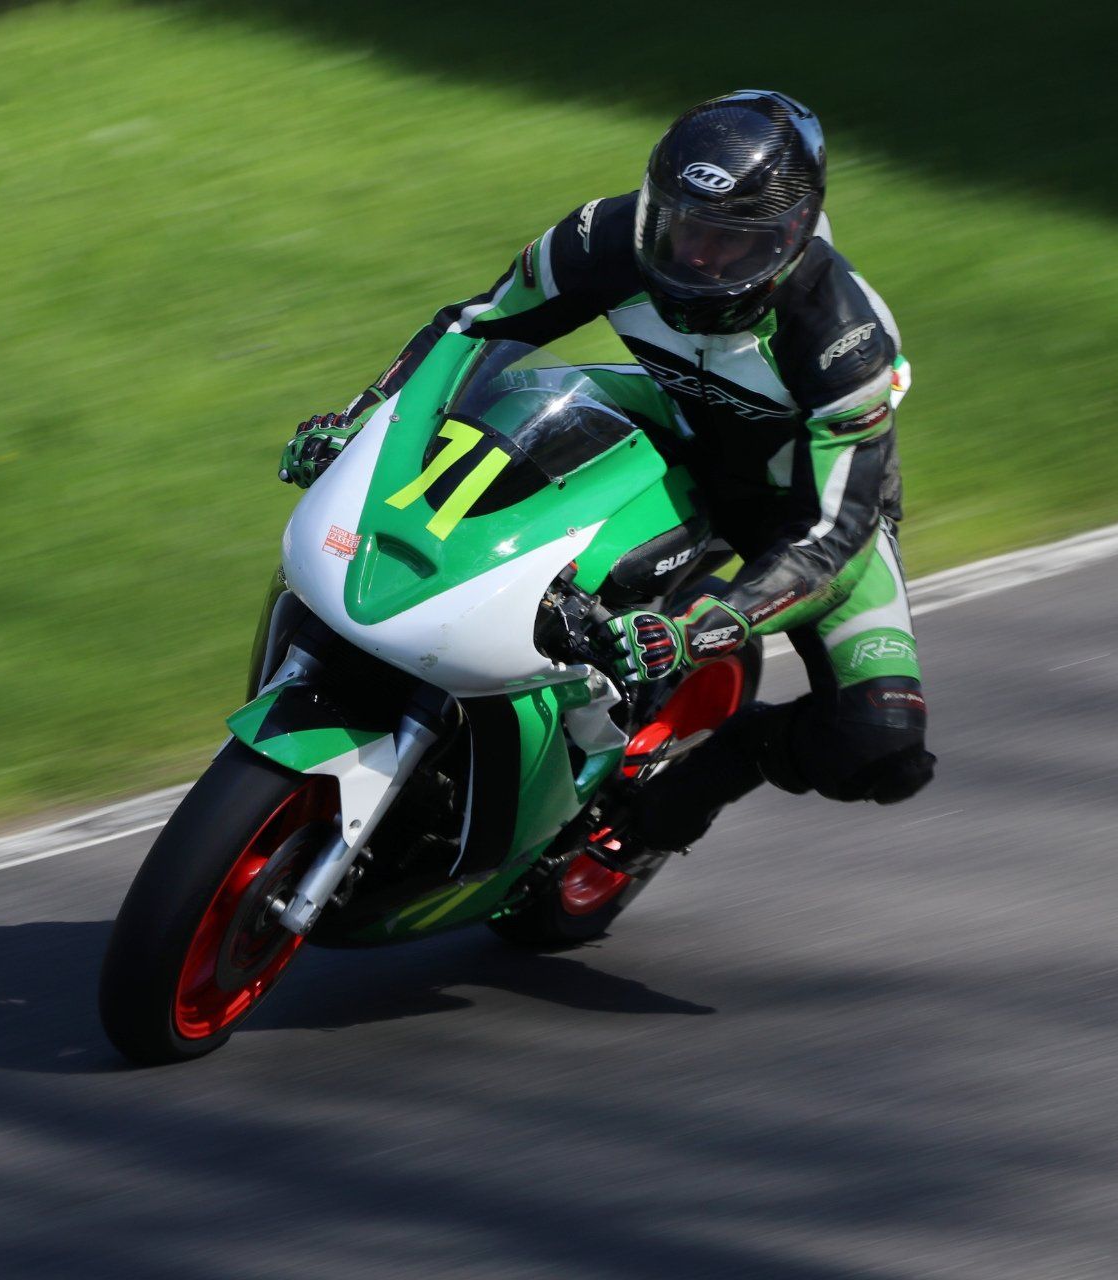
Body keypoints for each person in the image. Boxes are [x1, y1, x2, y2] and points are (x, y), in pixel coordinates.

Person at [280, 89, 935, 873]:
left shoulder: (844, 336)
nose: (696, 256)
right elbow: (478, 325)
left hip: (800, 510)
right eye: (681, 224)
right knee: (477, 474)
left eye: (732, 243)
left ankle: (718, 763)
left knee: (881, 747)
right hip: (660, 421)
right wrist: (365, 420)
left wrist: (710, 625)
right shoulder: (607, 234)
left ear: (791, 238)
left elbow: (835, 535)